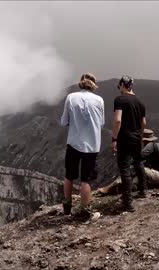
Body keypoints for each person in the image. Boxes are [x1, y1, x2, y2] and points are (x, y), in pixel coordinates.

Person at [60, 73, 105, 218]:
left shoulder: (71, 97)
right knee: (85, 179)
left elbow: (64, 121)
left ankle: (67, 207)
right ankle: (85, 209)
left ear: (81, 83)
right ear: (93, 84)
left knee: (69, 176)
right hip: (92, 145)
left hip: (74, 142)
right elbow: (101, 123)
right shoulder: (99, 100)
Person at [111, 75, 147, 212]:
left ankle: (127, 202)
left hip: (124, 138)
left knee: (124, 168)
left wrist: (114, 139)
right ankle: (143, 191)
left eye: (119, 86)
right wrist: (140, 135)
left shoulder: (119, 100)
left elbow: (118, 120)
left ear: (122, 84)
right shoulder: (140, 101)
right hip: (137, 137)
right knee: (139, 162)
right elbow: (144, 123)